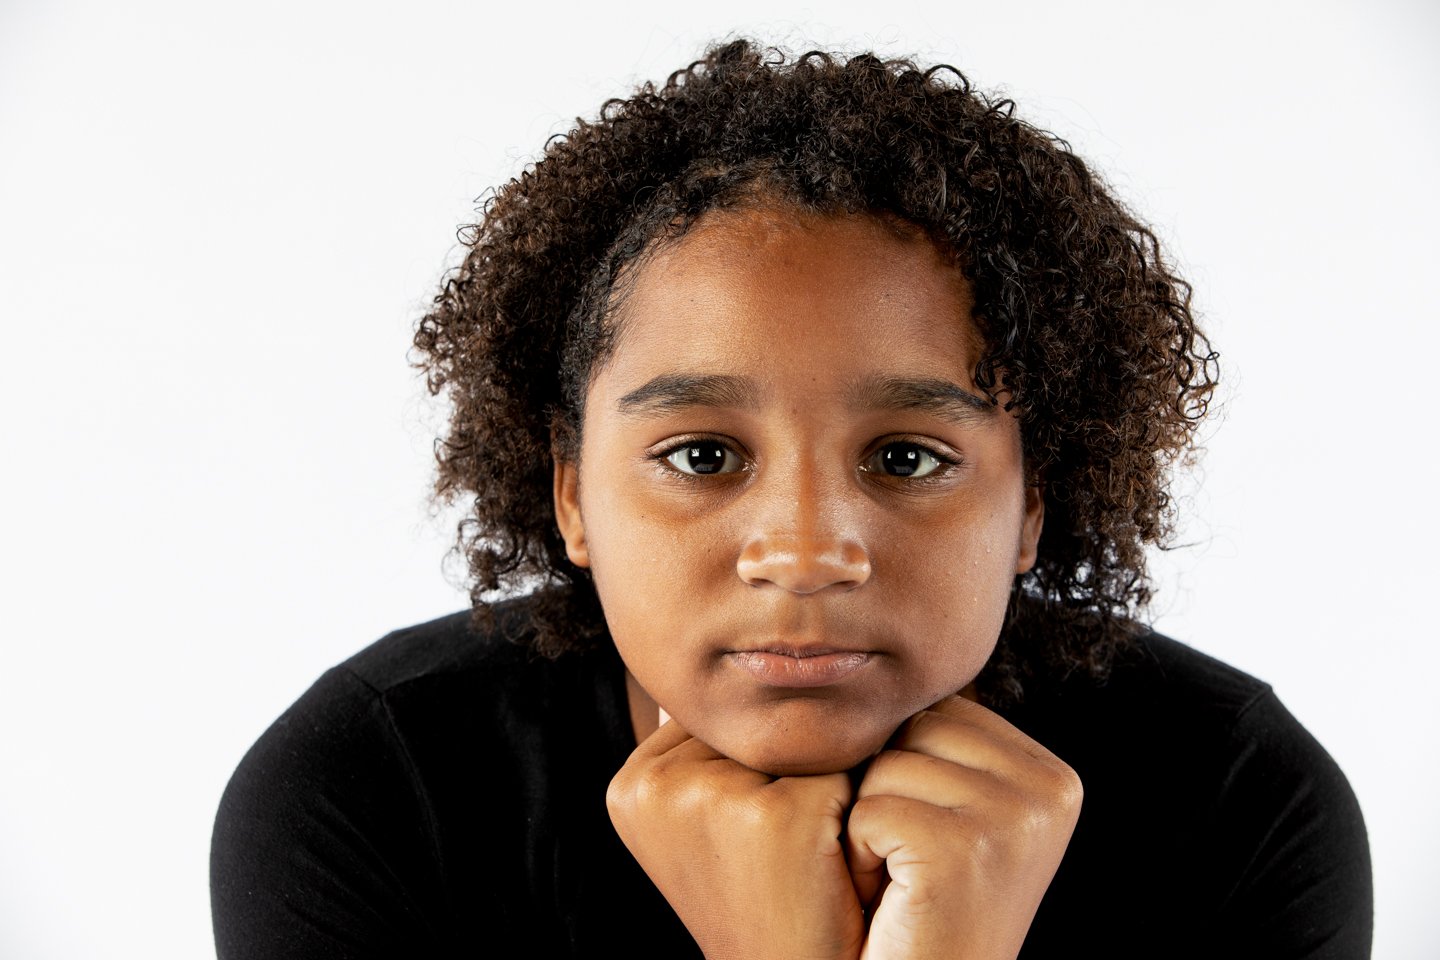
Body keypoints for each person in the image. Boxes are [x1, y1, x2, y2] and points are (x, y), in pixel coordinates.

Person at [210, 40, 1372, 959]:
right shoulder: (371, 793)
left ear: (1033, 504)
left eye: (908, 458)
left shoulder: (1239, 808)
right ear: (570, 491)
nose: (808, 552)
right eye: (704, 456)